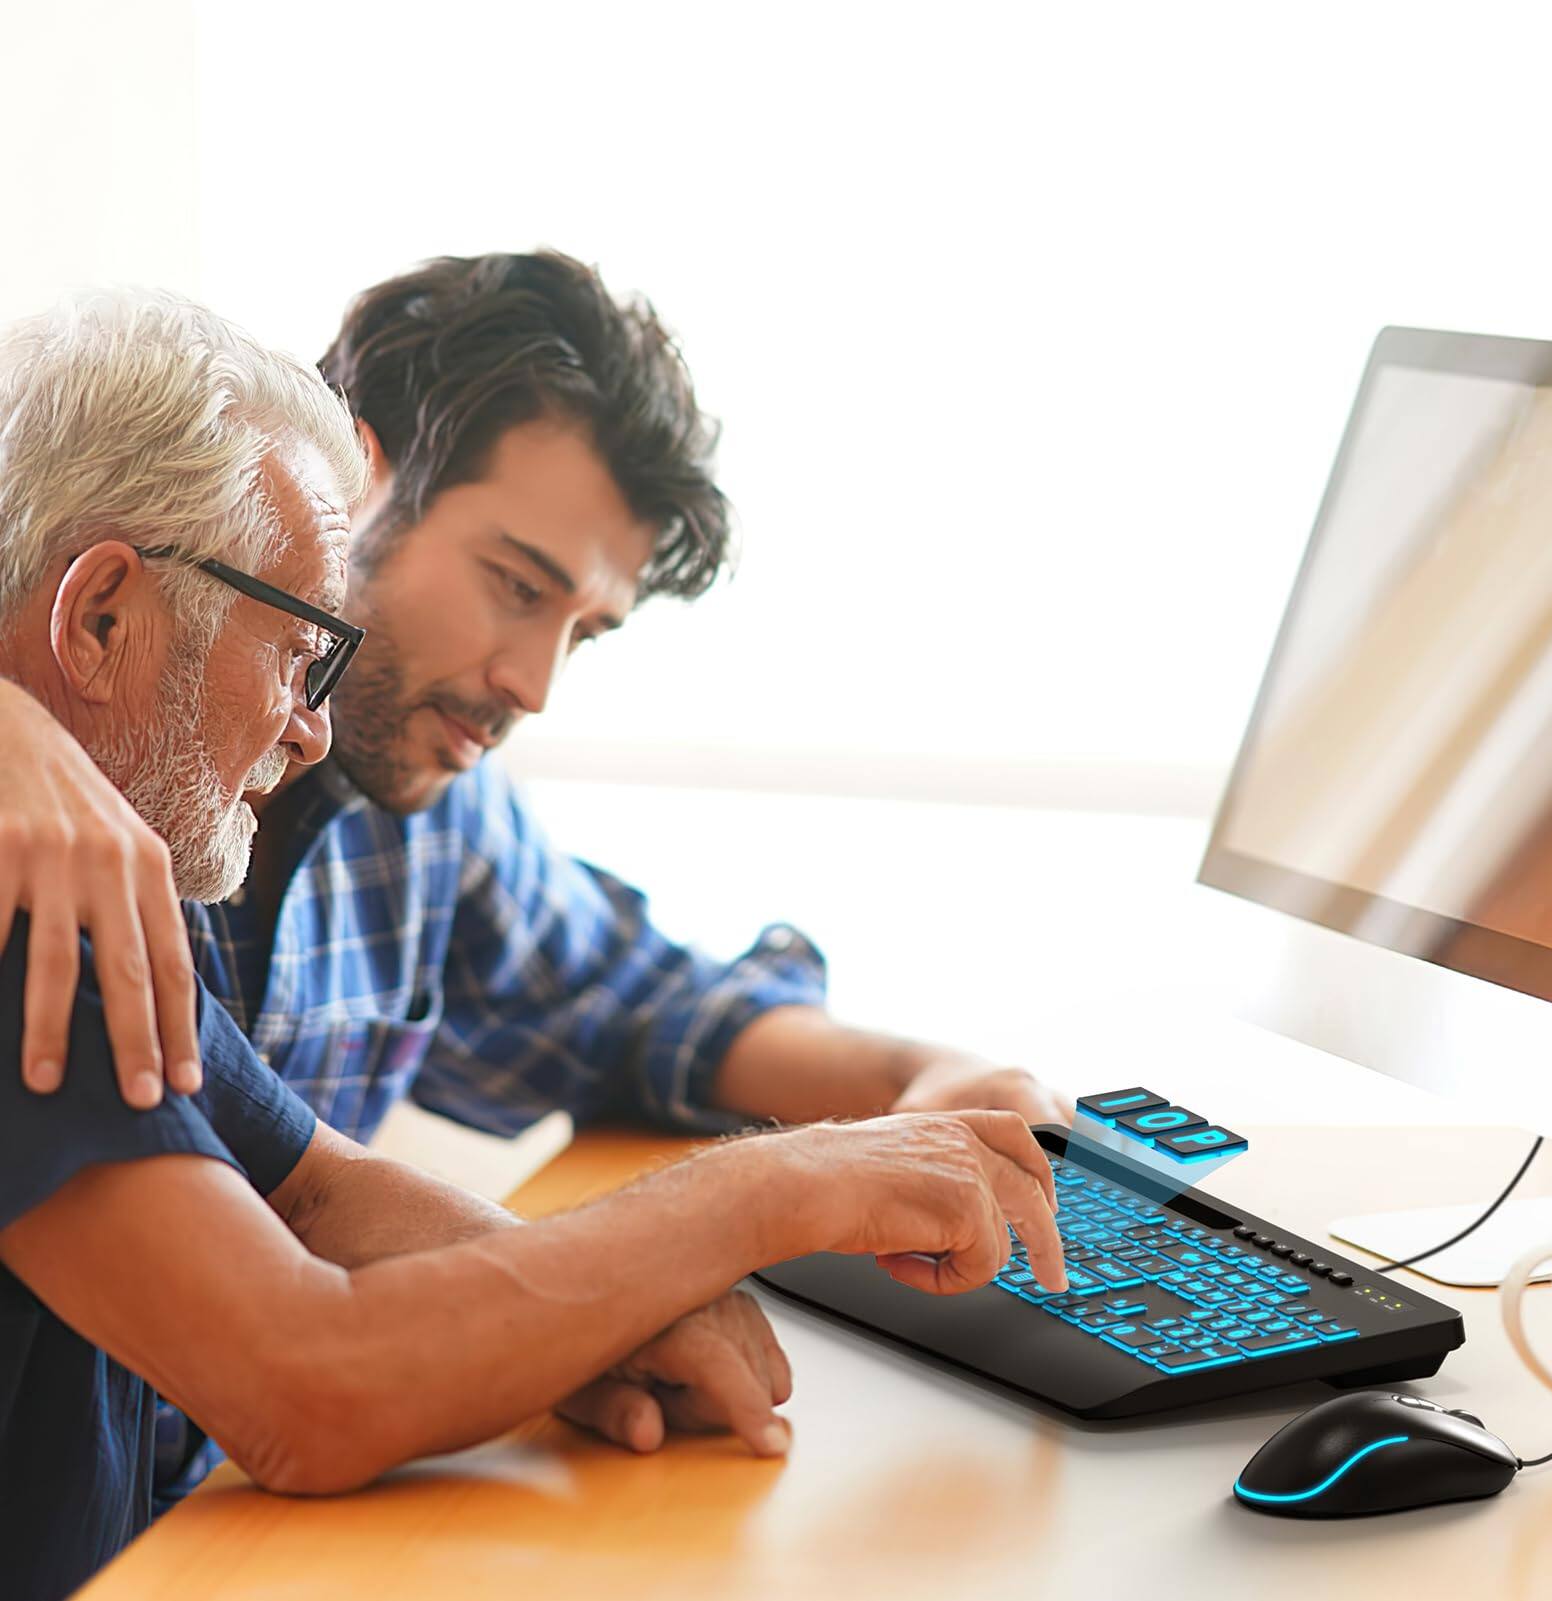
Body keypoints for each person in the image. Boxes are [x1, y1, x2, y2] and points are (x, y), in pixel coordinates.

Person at [0, 290, 1068, 1601]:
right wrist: (769, 1192)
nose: (314, 723)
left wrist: (591, 1312)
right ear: (103, 616)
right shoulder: (41, 877)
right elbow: (304, 1386)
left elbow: (321, 1190)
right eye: (296, 649)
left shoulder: (130, 854)